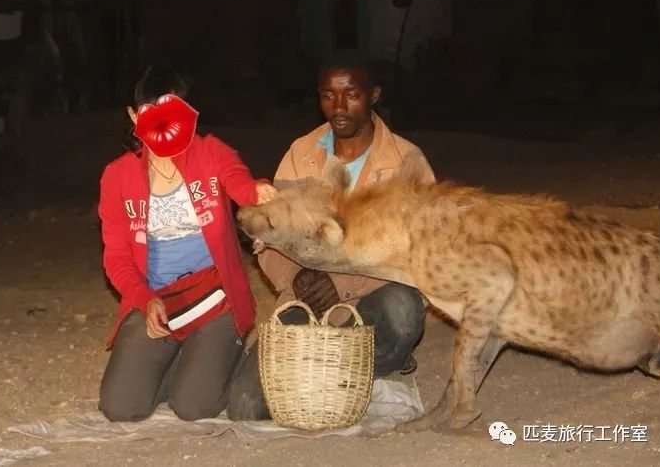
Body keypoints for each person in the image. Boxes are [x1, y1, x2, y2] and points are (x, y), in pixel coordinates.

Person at [227, 52, 436, 421]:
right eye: (328, 95)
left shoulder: (405, 161)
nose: (338, 107)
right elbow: (269, 234)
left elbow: (419, 249)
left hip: (376, 294)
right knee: (246, 407)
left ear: (374, 95)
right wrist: (295, 276)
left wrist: (343, 284)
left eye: (351, 94)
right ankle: (345, 379)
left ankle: (368, 366)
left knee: (403, 313)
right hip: (308, 295)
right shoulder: (302, 155)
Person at [97, 67, 275, 422]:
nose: (161, 123)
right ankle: (191, 361)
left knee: (193, 406)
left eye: (171, 111)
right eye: (150, 112)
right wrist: (144, 300)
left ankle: (243, 356)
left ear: (188, 113)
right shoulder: (117, 176)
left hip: (214, 298)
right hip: (159, 301)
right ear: (133, 116)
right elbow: (116, 257)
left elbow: (239, 184)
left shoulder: (211, 153)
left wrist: (257, 191)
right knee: (121, 407)